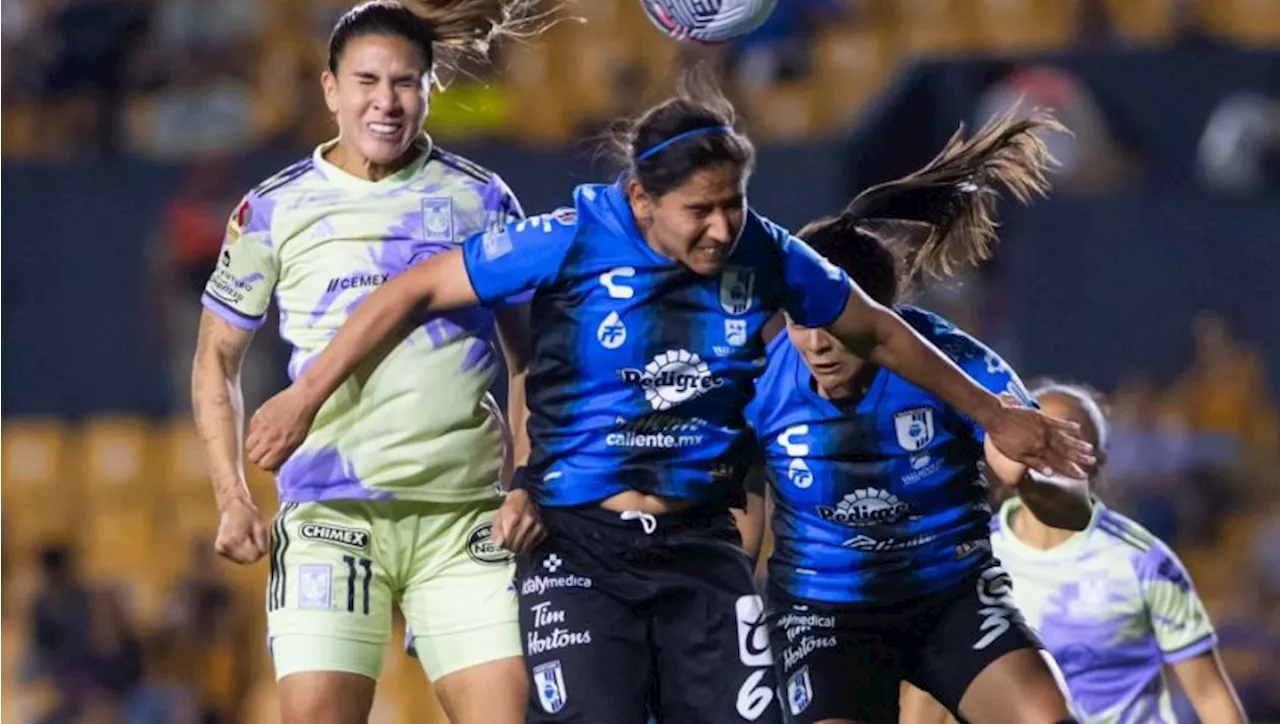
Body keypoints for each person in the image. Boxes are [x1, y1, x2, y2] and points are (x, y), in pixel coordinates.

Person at [246, 73, 1093, 724]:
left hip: (697, 550)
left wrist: (991, 412)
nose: (723, 229)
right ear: (642, 201)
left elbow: (878, 327)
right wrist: (305, 395)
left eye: (734, 204)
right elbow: (412, 292)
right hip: (579, 548)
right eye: (701, 210)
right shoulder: (572, 236)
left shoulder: (762, 253)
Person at [190, 0, 619, 724]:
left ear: (429, 88)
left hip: (464, 520)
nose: (385, 102)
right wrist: (230, 496)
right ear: (329, 89)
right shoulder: (274, 209)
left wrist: (527, 479)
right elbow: (215, 358)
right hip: (329, 518)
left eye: (405, 83)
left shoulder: (480, 200)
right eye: (366, 82)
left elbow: (531, 357)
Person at [747, 112, 1089, 724]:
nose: (818, 343)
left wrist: (1031, 482)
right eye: (800, 321)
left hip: (952, 598)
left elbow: (1071, 503)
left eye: (837, 325)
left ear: (880, 320)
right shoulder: (758, 381)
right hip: (823, 616)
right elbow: (741, 518)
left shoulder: (953, 363)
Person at [981, 382, 1245, 723]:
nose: (1045, 453)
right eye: (1038, 436)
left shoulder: (1144, 561)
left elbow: (1209, 695)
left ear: (1097, 462)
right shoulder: (972, 557)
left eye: (1065, 441)